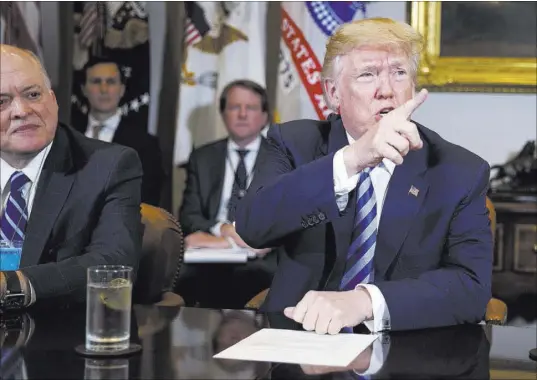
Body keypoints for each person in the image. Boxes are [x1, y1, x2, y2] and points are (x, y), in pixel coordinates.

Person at [235, 18, 493, 333]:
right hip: (298, 340)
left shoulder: (458, 171)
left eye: (399, 73)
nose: (387, 91)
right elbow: (252, 227)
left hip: (402, 349)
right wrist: (353, 159)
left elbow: (471, 288)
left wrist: (366, 302)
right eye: (367, 75)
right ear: (332, 93)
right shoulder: (293, 143)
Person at [0, 45, 143, 310]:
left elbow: (113, 262)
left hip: (56, 335)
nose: (21, 110)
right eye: (1, 102)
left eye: (32, 94)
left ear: (53, 100)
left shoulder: (108, 165)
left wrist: (14, 284)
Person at [176, 79, 277, 308]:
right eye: (234, 107)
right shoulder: (203, 158)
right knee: (181, 277)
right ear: (223, 114)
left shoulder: (282, 158)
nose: (242, 114)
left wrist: (250, 238)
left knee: (260, 276)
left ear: (264, 117)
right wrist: (224, 231)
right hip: (209, 255)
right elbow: (189, 217)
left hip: (262, 256)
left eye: (250, 108)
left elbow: (287, 217)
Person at [75, 57, 164, 206]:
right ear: (84, 89)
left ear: (122, 89)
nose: (104, 89)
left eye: (110, 82)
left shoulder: (145, 145)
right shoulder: (65, 136)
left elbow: (147, 198)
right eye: (96, 82)